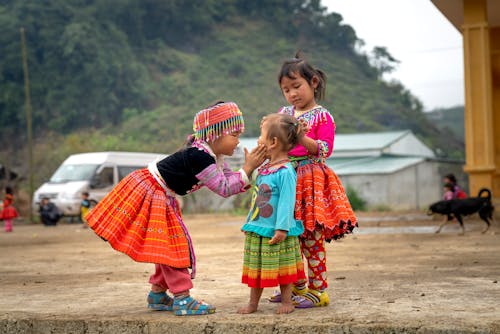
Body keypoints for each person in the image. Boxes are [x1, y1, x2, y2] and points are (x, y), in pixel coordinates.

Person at [86, 101, 266, 316]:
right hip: (151, 192)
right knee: (174, 246)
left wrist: (249, 171)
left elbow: (230, 179)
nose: (237, 142)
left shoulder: (210, 156)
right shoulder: (200, 157)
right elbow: (225, 188)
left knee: (165, 245)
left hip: (156, 192)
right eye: (235, 135)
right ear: (216, 134)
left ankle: (158, 294)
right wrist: (248, 167)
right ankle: (182, 298)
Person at [269, 54, 358, 308]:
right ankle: (295, 288)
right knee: (287, 236)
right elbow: (274, 140)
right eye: (286, 89)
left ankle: (319, 292)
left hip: (310, 180)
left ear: (314, 82)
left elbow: (323, 150)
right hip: (285, 178)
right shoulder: (283, 114)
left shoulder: (322, 117)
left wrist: (299, 137)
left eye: (297, 86)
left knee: (310, 236)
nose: (292, 94)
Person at [238, 113, 305, 315]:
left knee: (283, 269)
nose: (258, 140)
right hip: (260, 227)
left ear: (273, 142)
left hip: (278, 230)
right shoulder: (265, 168)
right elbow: (257, 194)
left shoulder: (286, 171)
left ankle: (287, 301)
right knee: (257, 269)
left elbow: (286, 202)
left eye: (261, 135)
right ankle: (253, 303)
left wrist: (282, 228)